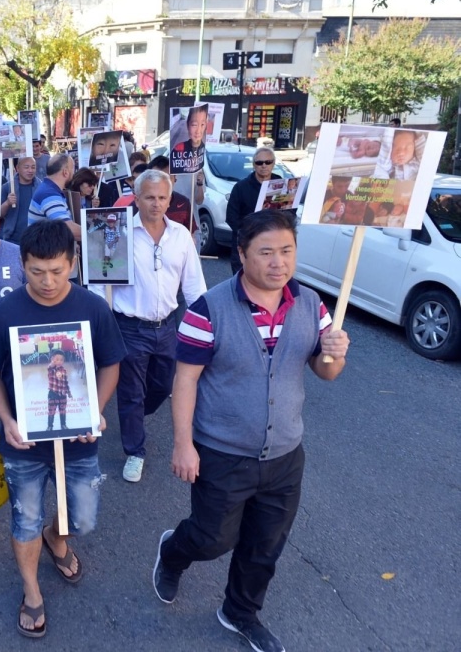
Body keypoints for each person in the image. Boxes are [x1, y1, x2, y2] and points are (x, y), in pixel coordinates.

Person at [152, 210, 350, 652]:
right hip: (222, 452)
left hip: (284, 454)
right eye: (266, 252)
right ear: (241, 255)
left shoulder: (311, 305)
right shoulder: (208, 309)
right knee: (210, 538)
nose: (278, 262)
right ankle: (174, 551)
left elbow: (326, 372)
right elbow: (184, 379)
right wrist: (183, 445)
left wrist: (334, 353)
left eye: (286, 251)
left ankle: (240, 612)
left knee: (265, 546)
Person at [0, 220, 125, 639]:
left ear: (73, 263)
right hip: (23, 441)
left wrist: (94, 410)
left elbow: (111, 363)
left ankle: (55, 536)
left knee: (83, 518)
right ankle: (31, 591)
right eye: (37, 271)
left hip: (78, 436)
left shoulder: (92, 306)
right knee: (24, 521)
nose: (47, 281)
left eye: (57, 271)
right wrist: (6, 419)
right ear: (22, 264)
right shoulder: (5, 311)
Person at [105, 170, 206, 483]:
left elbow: (194, 286)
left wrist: (207, 323)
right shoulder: (116, 231)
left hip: (168, 327)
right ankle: (135, 450)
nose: (157, 203)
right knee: (132, 391)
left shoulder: (180, 236)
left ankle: (133, 415)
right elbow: (100, 281)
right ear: (136, 199)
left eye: (162, 197)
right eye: (149, 197)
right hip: (129, 326)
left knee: (164, 386)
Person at [225, 147, 281, 274]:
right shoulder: (241, 187)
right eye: (259, 162)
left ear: (273, 163)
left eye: (268, 162)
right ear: (254, 165)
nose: (264, 165)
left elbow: (290, 212)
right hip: (247, 242)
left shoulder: (282, 184)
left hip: (273, 241)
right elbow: (231, 217)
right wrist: (247, 233)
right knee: (243, 280)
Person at [28, 154, 82, 241]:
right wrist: (95, 232)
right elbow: (67, 228)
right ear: (65, 172)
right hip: (43, 252)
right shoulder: (49, 194)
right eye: (73, 169)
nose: (74, 172)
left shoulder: (48, 189)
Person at [0, 157, 40, 244]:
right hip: (12, 239)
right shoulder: (7, 188)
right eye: (26, 167)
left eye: (33, 167)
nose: (30, 170)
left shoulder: (41, 188)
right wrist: (7, 203)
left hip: (37, 238)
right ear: (17, 168)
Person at [45, 349, 71, 431]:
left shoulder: (64, 370)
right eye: (57, 359)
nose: (59, 361)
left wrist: (68, 392)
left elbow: (65, 382)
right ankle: (50, 426)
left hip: (63, 395)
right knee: (51, 411)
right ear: (52, 359)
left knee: (62, 410)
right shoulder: (51, 369)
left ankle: (63, 425)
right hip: (53, 394)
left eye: (61, 360)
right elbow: (49, 366)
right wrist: (52, 363)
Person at [100, 213, 120, 277]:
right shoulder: (106, 228)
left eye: (112, 222)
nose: (111, 224)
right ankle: (104, 269)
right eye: (109, 222)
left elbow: (117, 238)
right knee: (106, 256)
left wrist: (112, 243)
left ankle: (109, 262)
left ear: (115, 223)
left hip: (113, 245)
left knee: (111, 256)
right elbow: (104, 235)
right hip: (107, 245)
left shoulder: (116, 229)